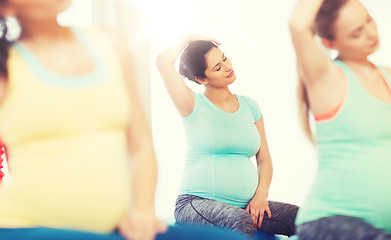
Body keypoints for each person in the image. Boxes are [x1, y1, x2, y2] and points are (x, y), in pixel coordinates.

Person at [0, 1, 249, 240]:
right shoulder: (6, 67)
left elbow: (139, 144)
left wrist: (142, 211)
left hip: (117, 229)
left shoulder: (109, 43)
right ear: (6, 6)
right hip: (26, 227)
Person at [156, 35, 298, 239]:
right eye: (217, 67)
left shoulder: (250, 107)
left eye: (224, 58)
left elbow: (264, 159)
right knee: (240, 220)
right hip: (195, 203)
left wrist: (261, 195)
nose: (227, 66)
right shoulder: (193, 105)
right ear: (201, 79)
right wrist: (188, 36)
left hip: (245, 206)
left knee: (302, 218)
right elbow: (163, 62)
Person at [289, 0, 391, 239]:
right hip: (329, 223)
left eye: (369, 19)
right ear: (329, 42)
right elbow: (298, 23)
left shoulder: (387, 76)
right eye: (356, 33)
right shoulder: (326, 79)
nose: (371, 32)